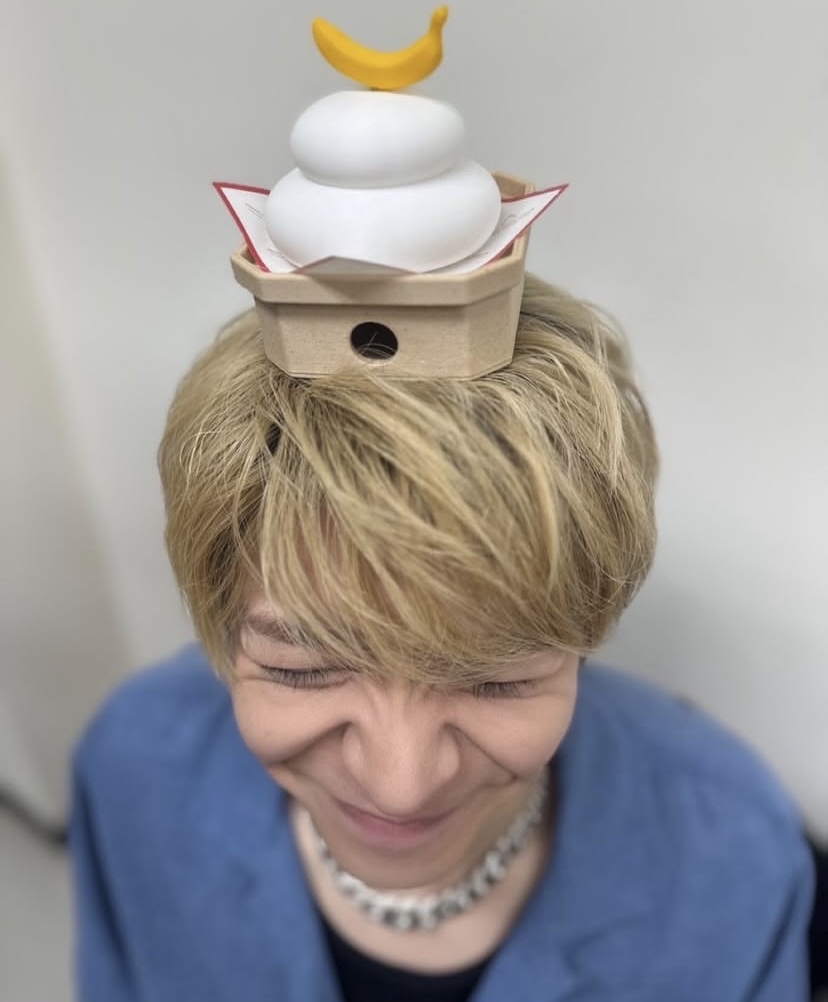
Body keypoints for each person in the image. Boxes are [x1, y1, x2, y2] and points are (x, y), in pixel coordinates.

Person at [70, 274, 814, 1001]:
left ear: (581, 642)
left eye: (495, 679)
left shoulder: (731, 861)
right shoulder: (135, 772)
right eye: (304, 667)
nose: (401, 786)